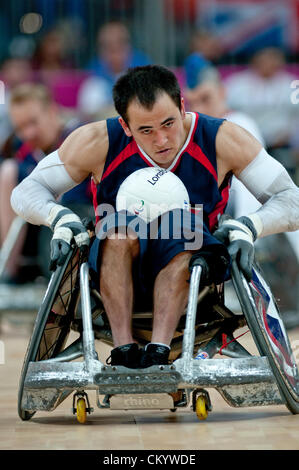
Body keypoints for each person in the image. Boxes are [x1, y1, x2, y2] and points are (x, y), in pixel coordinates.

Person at [11, 65, 299, 369]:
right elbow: (26, 191)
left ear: (182, 107)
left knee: (181, 224)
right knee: (119, 228)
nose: (162, 140)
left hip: (195, 269)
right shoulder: (98, 141)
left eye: (169, 123)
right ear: (125, 125)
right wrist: (59, 217)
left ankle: (158, 351)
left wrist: (250, 226)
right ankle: (124, 351)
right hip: (116, 262)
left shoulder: (221, 138)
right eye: (146, 130)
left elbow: (291, 198)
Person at [0, 83, 92, 282]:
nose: (28, 133)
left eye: (33, 122)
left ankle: (10, 269)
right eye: (20, 127)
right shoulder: (18, 146)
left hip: (78, 222)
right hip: (34, 228)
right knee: (8, 172)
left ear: (51, 111)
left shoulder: (78, 138)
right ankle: (9, 269)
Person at [77, 21, 151, 120]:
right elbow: (87, 120)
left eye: (121, 43)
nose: (115, 50)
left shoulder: (147, 78)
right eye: (108, 46)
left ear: (129, 47)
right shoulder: (92, 85)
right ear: (100, 51)